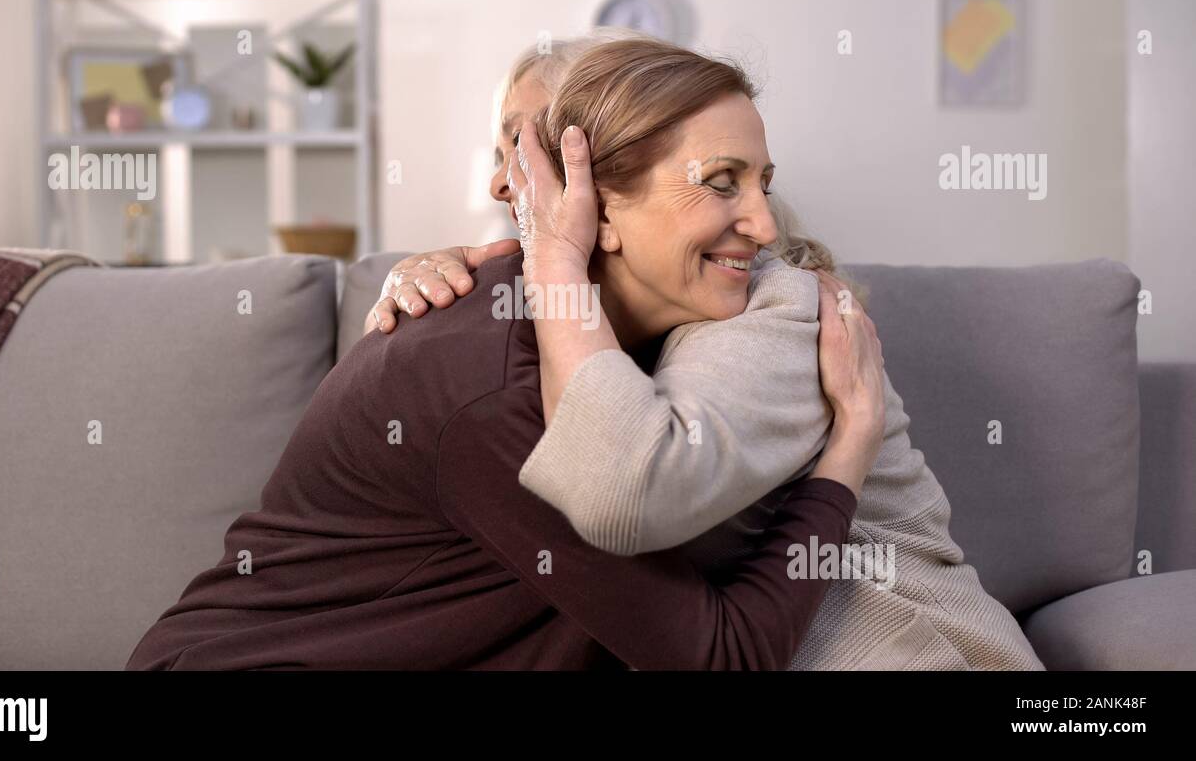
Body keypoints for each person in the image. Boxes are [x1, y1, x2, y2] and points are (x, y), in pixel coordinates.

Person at [124, 37, 885, 671]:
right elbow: (721, 656)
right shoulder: (490, 386)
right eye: (722, 184)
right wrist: (848, 452)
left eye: (761, 185)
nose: (758, 221)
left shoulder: (655, 342)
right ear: (598, 204)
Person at [371, 34, 1044, 670]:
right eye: (504, 151)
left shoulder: (768, 307)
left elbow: (623, 489)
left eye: (536, 140)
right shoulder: (582, 316)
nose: (507, 181)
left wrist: (552, 260)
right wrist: (452, 272)